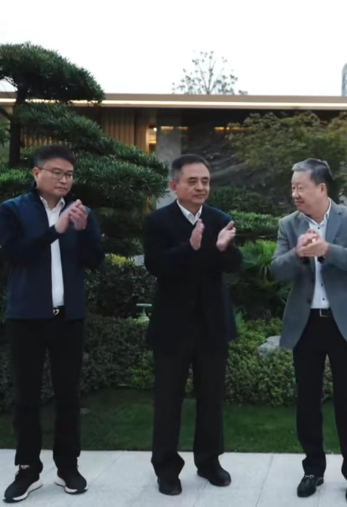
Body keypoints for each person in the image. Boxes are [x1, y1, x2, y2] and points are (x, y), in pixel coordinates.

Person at [0, 145, 105, 503]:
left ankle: (68, 466)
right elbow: (15, 255)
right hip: (26, 317)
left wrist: (83, 230)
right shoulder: (13, 209)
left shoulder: (81, 212)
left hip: (68, 318)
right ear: (36, 173)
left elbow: (95, 262)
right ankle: (28, 470)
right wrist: (55, 230)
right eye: (56, 172)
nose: (64, 180)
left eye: (69, 174)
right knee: (26, 396)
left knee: (68, 395)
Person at [269, 159, 347, 504]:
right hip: (306, 323)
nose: (295, 194)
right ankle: (313, 469)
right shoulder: (288, 224)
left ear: (322, 188)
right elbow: (276, 271)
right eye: (293, 188)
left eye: (301, 187)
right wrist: (298, 254)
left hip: (343, 324)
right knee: (308, 400)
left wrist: (327, 250)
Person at [144, 153, 242, 496]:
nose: (200, 187)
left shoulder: (220, 219)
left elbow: (235, 264)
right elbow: (156, 265)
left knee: (211, 400)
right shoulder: (158, 221)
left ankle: (209, 462)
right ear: (174, 186)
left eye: (205, 181)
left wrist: (223, 248)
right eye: (192, 181)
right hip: (172, 327)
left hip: (212, 325)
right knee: (168, 402)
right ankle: (166, 470)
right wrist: (191, 247)